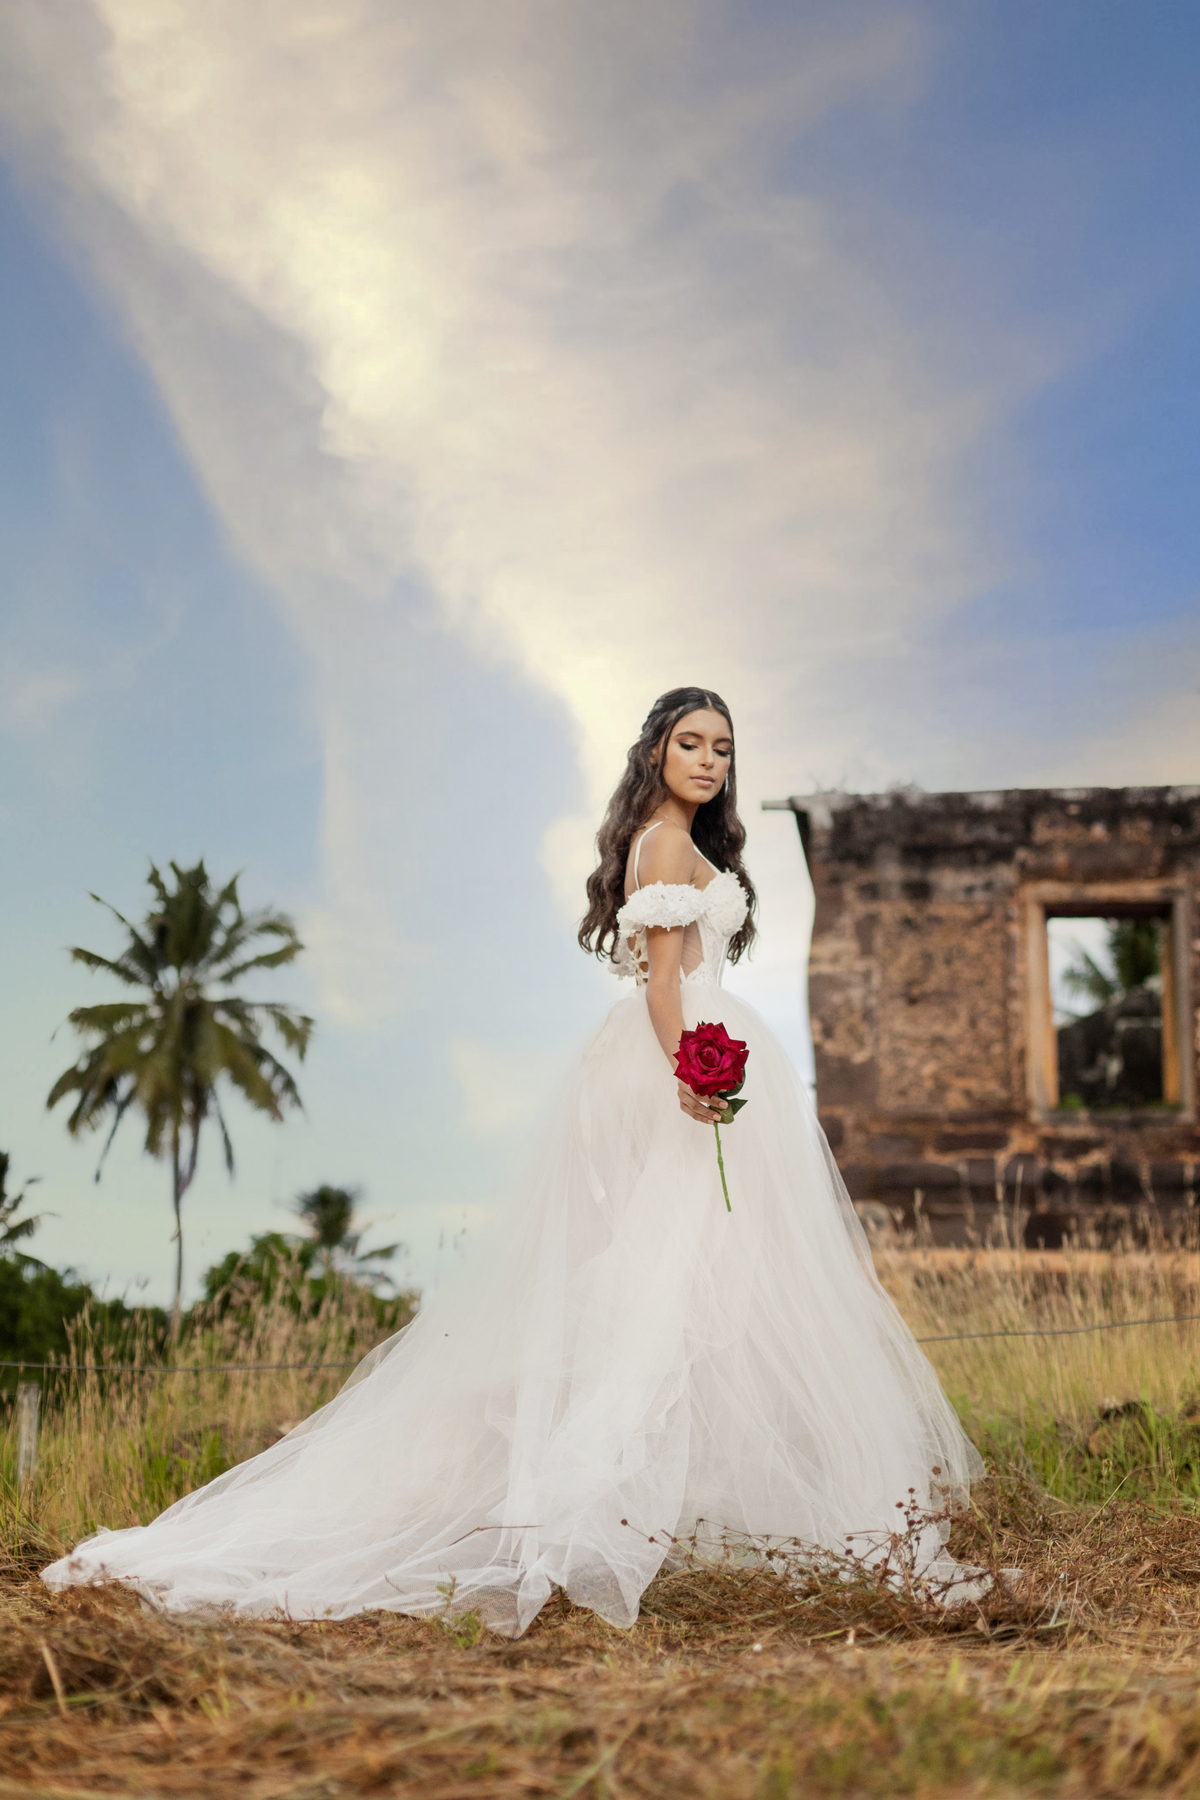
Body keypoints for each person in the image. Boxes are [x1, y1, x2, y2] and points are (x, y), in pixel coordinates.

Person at [43, 686, 983, 1635]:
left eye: (723, 748)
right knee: (671, 1283)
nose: (709, 761)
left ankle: (667, 1502)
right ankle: (590, 1500)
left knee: (683, 1282)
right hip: (679, 1055)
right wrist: (690, 1073)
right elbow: (663, 983)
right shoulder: (664, 845)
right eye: (691, 743)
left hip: (681, 1052)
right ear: (655, 753)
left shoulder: (678, 843)